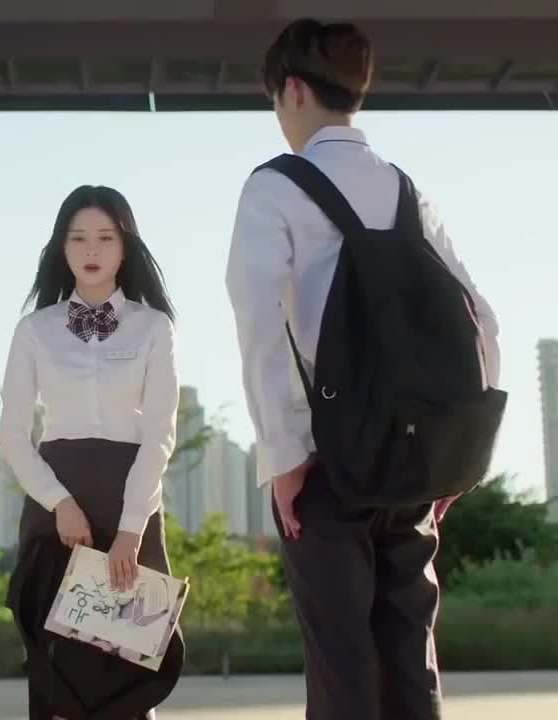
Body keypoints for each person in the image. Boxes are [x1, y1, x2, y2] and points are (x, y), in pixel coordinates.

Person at [225, 19, 502, 720]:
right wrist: (458, 458)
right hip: (415, 461)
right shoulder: (407, 192)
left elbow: (260, 321)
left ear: (292, 89)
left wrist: (285, 455)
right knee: (411, 657)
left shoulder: (275, 186)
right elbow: (481, 321)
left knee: (342, 664)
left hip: (326, 461)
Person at [0, 185, 185, 720]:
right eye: (78, 238)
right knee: (58, 674)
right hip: (57, 512)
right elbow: (11, 434)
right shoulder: (34, 330)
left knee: (127, 671)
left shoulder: (154, 328)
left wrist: (130, 529)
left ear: (126, 247)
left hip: (131, 502)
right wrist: (59, 503)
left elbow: (160, 434)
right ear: (61, 247)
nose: (91, 250)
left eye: (105, 237)